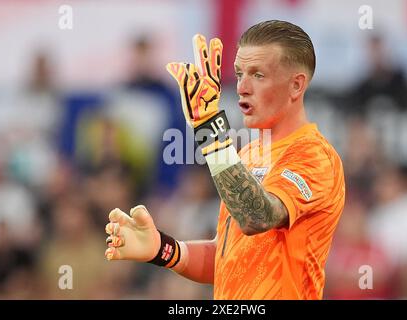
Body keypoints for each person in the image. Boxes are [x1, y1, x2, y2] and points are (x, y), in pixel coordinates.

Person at [104, 20, 346, 300]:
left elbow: (256, 216)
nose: (242, 87)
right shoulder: (247, 155)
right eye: (239, 73)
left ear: (296, 85)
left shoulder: (315, 155)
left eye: (257, 75)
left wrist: (209, 131)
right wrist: (162, 249)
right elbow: (228, 260)